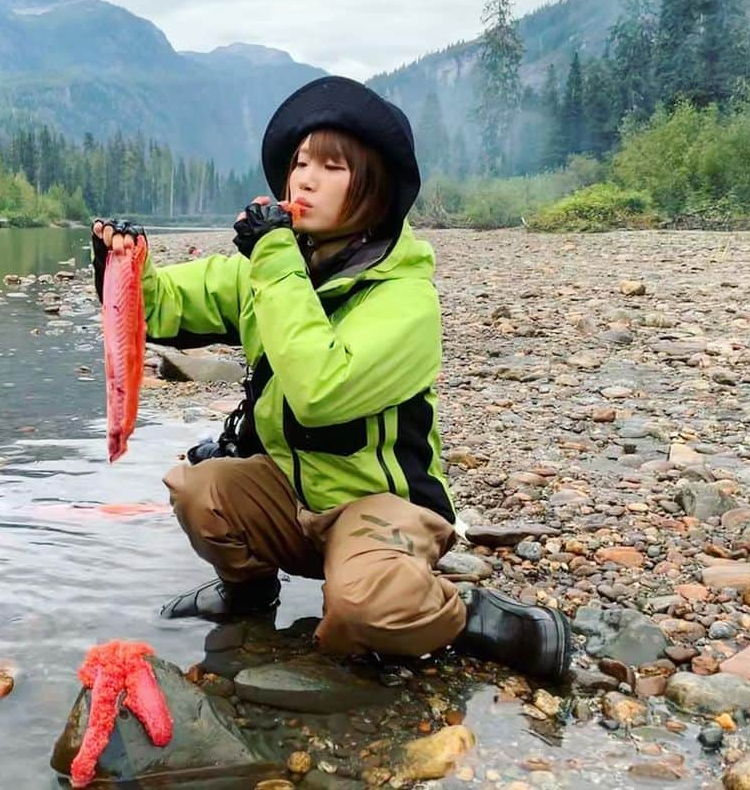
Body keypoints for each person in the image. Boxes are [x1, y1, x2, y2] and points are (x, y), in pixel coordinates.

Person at [91, 76, 571, 681]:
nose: (303, 180)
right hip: (294, 496)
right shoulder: (273, 268)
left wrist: (272, 257)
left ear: (372, 187)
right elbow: (162, 308)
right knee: (198, 489)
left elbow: (321, 393)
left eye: (331, 166)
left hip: (377, 504)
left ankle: (466, 614)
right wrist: (123, 265)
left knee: (364, 614)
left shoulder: (405, 300)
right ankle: (249, 595)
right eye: (298, 163)